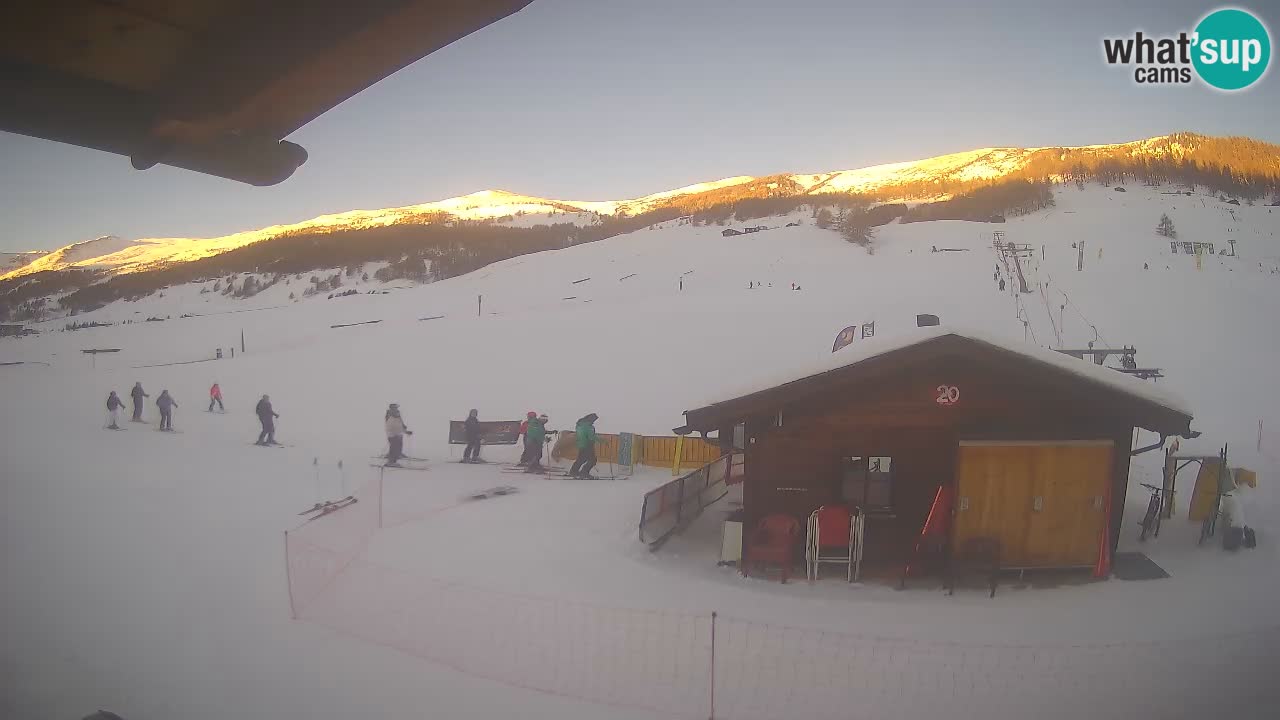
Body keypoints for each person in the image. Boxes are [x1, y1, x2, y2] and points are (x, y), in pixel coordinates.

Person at [569, 413, 600, 477]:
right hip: (588, 444)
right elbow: (591, 437)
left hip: (581, 444)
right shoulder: (589, 427)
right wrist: (603, 441)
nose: (594, 421)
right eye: (594, 419)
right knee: (592, 460)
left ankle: (573, 471)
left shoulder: (580, 424)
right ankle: (584, 472)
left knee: (581, 459)